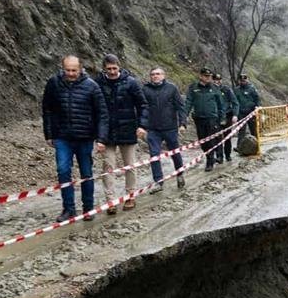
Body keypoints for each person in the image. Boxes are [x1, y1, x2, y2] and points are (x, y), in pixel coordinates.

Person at [41, 55, 108, 222]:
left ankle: (88, 208)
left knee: (86, 172)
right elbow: (47, 109)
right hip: (62, 137)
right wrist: (49, 134)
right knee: (63, 171)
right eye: (67, 70)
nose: (70, 73)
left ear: (80, 69)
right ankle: (69, 209)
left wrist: (101, 139)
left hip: (85, 137)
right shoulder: (54, 84)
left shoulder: (92, 86)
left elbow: (102, 114)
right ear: (62, 68)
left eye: (74, 70)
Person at [96, 54, 148, 214]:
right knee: (108, 166)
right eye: (109, 69)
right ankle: (110, 201)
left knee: (130, 165)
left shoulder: (131, 82)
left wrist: (142, 125)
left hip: (128, 129)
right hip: (107, 132)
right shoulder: (98, 84)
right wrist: (97, 134)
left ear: (119, 67)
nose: (112, 71)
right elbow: (95, 108)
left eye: (114, 68)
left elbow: (142, 104)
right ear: (104, 69)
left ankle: (130, 196)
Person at [143, 67, 188, 191]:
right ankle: (158, 181)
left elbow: (180, 106)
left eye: (158, 74)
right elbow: (143, 108)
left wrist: (183, 123)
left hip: (170, 127)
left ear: (163, 75)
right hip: (153, 129)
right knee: (154, 155)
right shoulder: (146, 89)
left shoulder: (171, 88)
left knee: (175, 152)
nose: (155, 76)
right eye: (152, 74)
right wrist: (141, 125)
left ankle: (179, 174)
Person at [186, 68, 226, 171]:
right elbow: (188, 102)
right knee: (202, 141)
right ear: (201, 76)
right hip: (199, 119)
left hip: (212, 118)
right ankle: (209, 156)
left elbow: (221, 104)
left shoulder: (214, 88)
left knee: (211, 140)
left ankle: (210, 160)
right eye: (206, 76)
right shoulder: (193, 87)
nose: (208, 78)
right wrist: (184, 115)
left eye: (209, 76)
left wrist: (221, 119)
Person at [214, 74, 239, 163]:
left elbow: (235, 102)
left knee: (227, 137)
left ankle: (227, 154)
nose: (218, 81)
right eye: (216, 79)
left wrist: (235, 115)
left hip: (228, 116)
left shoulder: (227, 89)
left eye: (219, 79)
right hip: (216, 117)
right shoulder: (211, 90)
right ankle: (219, 156)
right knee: (217, 138)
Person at [235, 73, 261, 138]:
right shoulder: (236, 90)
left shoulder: (252, 89)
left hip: (251, 113)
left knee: (254, 131)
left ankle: (257, 146)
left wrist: (257, 107)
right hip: (241, 113)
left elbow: (257, 99)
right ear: (239, 81)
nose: (243, 82)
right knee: (241, 131)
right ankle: (240, 147)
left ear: (247, 80)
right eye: (241, 80)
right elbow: (235, 101)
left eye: (244, 80)